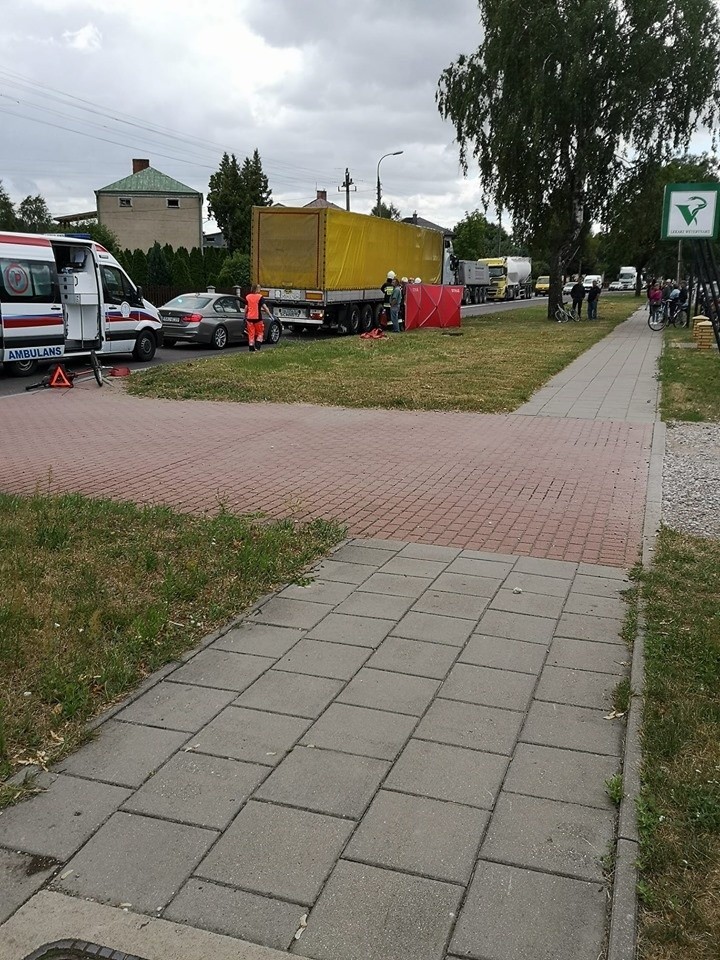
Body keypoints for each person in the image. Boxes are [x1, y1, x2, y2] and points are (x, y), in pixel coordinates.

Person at [244, 284, 273, 352]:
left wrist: (245, 316)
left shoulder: (248, 297)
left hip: (249, 318)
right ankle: (257, 347)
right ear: (257, 289)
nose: (260, 289)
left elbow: (246, 308)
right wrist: (270, 315)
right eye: (259, 288)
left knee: (251, 334)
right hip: (257, 318)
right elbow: (265, 308)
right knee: (260, 333)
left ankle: (251, 348)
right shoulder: (260, 297)